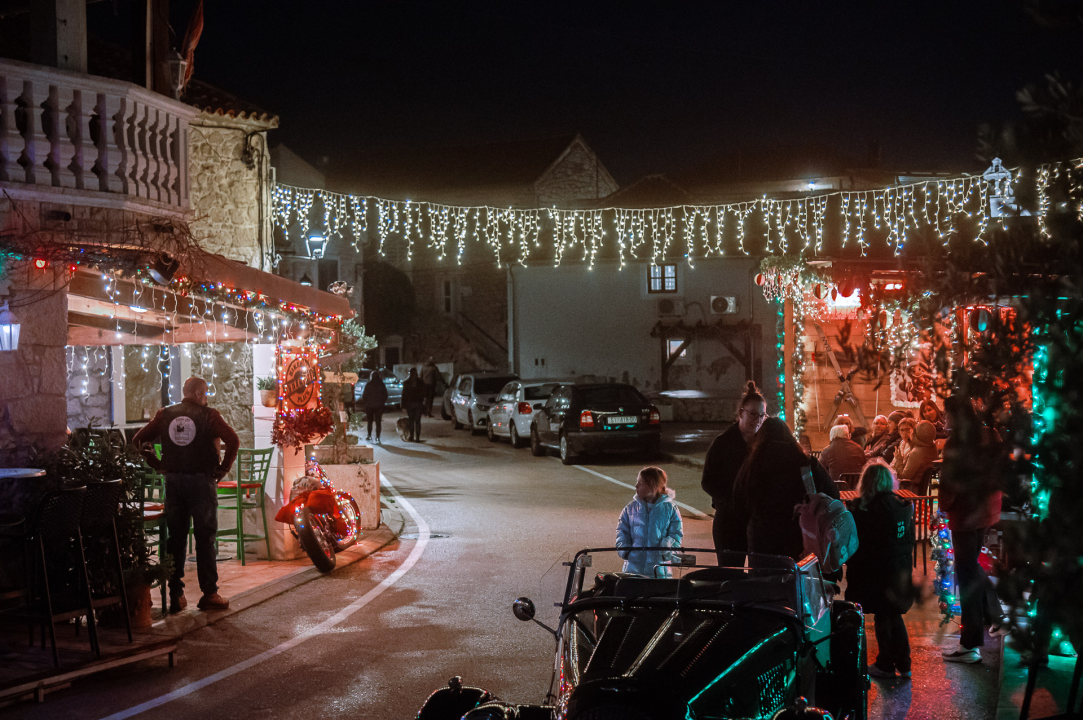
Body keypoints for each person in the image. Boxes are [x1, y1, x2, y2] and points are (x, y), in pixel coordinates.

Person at [132, 377, 238, 614]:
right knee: (205, 537)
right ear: (200, 393)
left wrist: (157, 464)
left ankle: (175, 594)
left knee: (175, 538)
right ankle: (209, 593)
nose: (207, 397)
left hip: (174, 481)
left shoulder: (165, 414)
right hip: (202, 481)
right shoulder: (210, 415)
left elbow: (138, 440)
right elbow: (233, 439)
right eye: (206, 393)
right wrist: (223, 468)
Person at [938, 396, 1005, 664]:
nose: (945, 420)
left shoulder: (957, 443)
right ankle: (997, 617)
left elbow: (950, 483)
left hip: (965, 514)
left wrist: (944, 505)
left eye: (946, 414)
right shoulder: (991, 435)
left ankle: (970, 645)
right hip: (986, 510)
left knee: (966, 574)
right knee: (971, 567)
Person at [845, 461, 916, 679]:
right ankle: (902, 665)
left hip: (878, 574)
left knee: (885, 616)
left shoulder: (866, 509)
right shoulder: (901, 506)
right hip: (900, 570)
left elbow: (860, 544)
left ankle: (887, 664)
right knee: (891, 615)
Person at [732, 417, 839, 562]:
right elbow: (833, 495)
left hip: (761, 539)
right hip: (800, 538)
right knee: (796, 581)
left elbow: (738, 501)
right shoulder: (807, 464)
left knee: (762, 582)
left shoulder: (752, 465)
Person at [700, 381, 766, 563]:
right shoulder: (722, 443)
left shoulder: (765, 444)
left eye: (762, 415)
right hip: (729, 523)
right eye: (753, 414)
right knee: (731, 575)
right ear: (740, 414)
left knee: (758, 577)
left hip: (756, 522)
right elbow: (707, 481)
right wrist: (730, 501)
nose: (757, 420)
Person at [616, 467, 683, 577]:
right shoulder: (630, 509)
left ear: (653, 486)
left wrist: (667, 550)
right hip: (633, 570)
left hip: (659, 572)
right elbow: (622, 532)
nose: (636, 486)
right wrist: (626, 551)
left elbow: (676, 535)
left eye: (641, 483)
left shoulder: (671, 509)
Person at [895, 419, 938, 488]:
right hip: (925, 489)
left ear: (917, 434)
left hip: (913, 490)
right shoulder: (932, 447)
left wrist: (899, 460)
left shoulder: (917, 452)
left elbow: (904, 477)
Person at [360, 369, 388, 443]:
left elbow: (364, 395)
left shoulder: (369, 384)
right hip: (379, 406)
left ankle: (369, 436)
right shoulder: (381, 384)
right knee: (378, 422)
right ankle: (377, 437)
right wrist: (382, 402)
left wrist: (366, 403)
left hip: (369, 406)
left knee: (370, 422)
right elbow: (385, 395)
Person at [400, 368, 426, 442]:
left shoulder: (406, 383)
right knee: (417, 421)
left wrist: (403, 406)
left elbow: (404, 395)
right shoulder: (421, 382)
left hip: (410, 404)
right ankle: (417, 438)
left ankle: (411, 436)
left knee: (411, 420)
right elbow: (424, 393)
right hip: (418, 404)